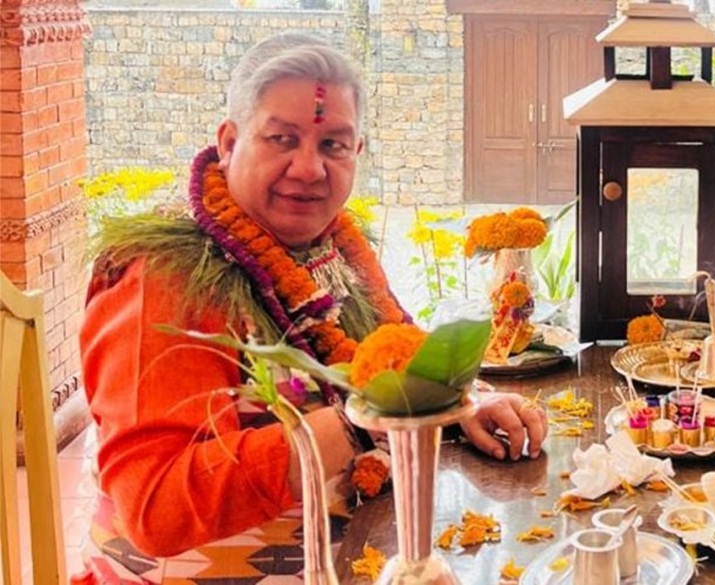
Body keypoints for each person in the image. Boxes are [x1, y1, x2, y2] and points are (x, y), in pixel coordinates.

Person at [75, 33, 547, 582]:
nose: (308, 169)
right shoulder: (163, 279)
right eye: (282, 139)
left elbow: (392, 358)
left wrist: (465, 403)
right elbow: (156, 508)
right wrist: (354, 424)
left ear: (357, 152)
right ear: (229, 142)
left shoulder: (332, 248)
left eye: (333, 145)